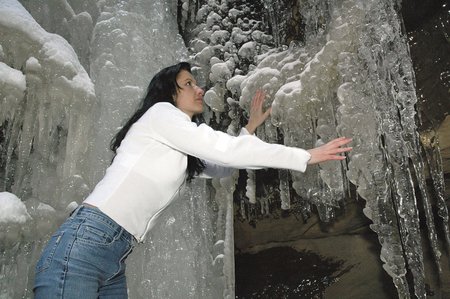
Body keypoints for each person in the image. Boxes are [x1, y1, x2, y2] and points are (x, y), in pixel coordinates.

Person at [33, 62, 352, 298]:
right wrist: (305, 156)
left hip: (114, 255)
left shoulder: (177, 149)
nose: (199, 89)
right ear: (169, 92)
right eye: (189, 84)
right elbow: (226, 152)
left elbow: (223, 167)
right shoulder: (160, 114)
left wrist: (249, 129)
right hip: (86, 242)